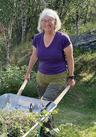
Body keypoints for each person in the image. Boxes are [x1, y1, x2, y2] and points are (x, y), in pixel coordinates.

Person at [24, 8, 75, 137]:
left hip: (57, 76)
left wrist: (71, 76)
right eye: (44, 21)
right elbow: (34, 57)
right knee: (45, 106)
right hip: (41, 77)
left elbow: (69, 58)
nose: (47, 23)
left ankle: (46, 131)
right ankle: (48, 131)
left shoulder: (63, 38)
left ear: (55, 21)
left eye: (50, 20)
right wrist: (28, 73)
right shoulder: (37, 38)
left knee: (45, 102)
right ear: (41, 23)